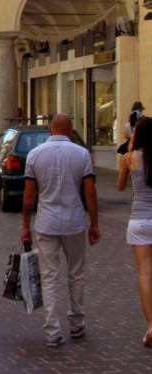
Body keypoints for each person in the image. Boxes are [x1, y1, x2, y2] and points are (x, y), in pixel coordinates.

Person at [21, 113, 100, 348]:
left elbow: (28, 195)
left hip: (46, 221)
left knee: (49, 276)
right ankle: (77, 323)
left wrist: (25, 225)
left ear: (50, 130)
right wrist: (94, 224)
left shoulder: (34, 155)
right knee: (76, 273)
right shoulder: (81, 154)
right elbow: (90, 192)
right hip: (74, 221)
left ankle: (52, 329)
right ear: (71, 130)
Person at [116, 115, 152, 347]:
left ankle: (151, 326)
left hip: (139, 220)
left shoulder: (130, 158)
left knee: (145, 274)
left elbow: (119, 186)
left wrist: (129, 150)